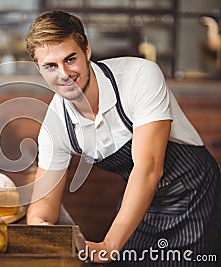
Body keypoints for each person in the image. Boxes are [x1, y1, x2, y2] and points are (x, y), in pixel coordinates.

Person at [25, 10, 221, 266]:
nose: (63, 73)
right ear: (39, 69)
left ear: (87, 50)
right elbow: (43, 204)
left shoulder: (139, 76)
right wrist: (40, 227)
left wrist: (109, 245)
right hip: (141, 205)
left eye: (70, 59)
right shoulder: (56, 125)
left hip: (196, 196)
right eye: (50, 66)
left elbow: (149, 168)